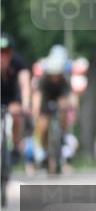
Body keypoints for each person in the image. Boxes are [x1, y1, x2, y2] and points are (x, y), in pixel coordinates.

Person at [31, 45, 77, 174]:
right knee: (43, 124)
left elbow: (70, 95)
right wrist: (36, 110)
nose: (56, 77)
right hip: (46, 96)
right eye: (53, 74)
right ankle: (43, 149)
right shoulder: (44, 79)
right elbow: (38, 96)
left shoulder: (65, 78)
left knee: (63, 106)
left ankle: (62, 133)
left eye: (58, 74)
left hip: (59, 95)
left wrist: (73, 108)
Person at [1, 33, 33, 166]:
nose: (2, 56)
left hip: (13, 99)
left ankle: (15, 146)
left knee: (16, 115)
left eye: (6, 52)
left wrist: (25, 104)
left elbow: (25, 84)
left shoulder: (18, 62)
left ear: (11, 52)